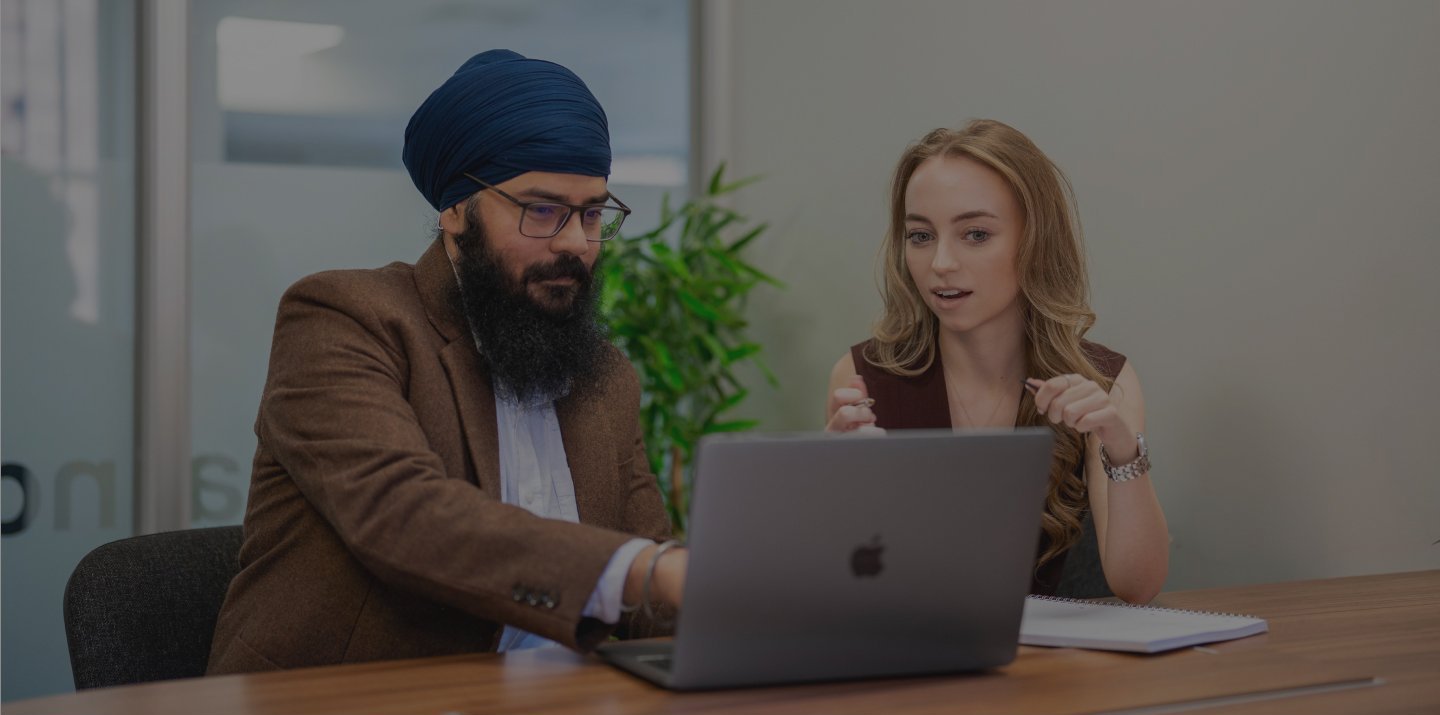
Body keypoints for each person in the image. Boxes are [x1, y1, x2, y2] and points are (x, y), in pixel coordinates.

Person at [208, 50, 688, 674]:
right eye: (543, 210)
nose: (576, 242)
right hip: (348, 698)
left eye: (593, 213)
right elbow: (402, 514)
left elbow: (652, 588)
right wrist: (646, 571)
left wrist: (778, 579)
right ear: (456, 210)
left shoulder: (603, 374)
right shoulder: (345, 317)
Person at [825, 119, 1168, 603]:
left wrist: (1121, 449)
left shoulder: (1103, 382)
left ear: (1035, 240)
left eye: (976, 234)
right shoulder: (863, 378)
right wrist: (826, 488)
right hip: (908, 665)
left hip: (1053, 675)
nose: (941, 262)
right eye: (921, 236)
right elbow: (842, 586)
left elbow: (1139, 587)